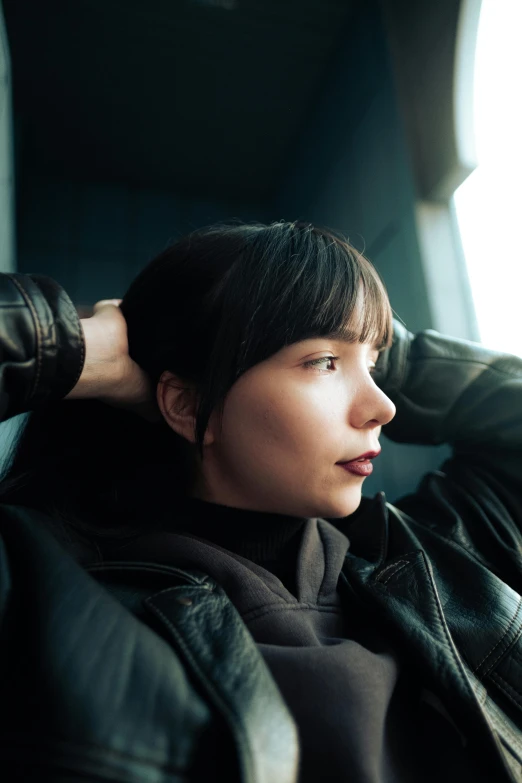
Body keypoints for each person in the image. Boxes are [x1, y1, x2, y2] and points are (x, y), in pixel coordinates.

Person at [0, 219, 521, 783]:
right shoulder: (43, 595)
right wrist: (71, 348)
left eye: (374, 366)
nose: (383, 407)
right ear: (184, 405)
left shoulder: (436, 561)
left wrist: (359, 330)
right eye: (323, 363)